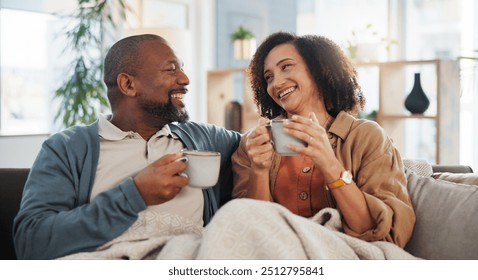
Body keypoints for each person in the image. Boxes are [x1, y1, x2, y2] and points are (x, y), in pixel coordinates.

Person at [13, 34, 241, 259]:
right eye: (171, 69)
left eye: (181, 68)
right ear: (128, 84)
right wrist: (135, 194)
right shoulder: (67, 149)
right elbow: (32, 241)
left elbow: (263, 143)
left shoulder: (205, 139)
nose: (185, 79)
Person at [231, 31, 415, 248]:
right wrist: (259, 171)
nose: (277, 82)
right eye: (268, 77)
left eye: (286, 66)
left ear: (318, 70)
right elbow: (252, 233)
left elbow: (383, 234)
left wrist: (329, 163)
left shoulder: (367, 137)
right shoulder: (253, 145)